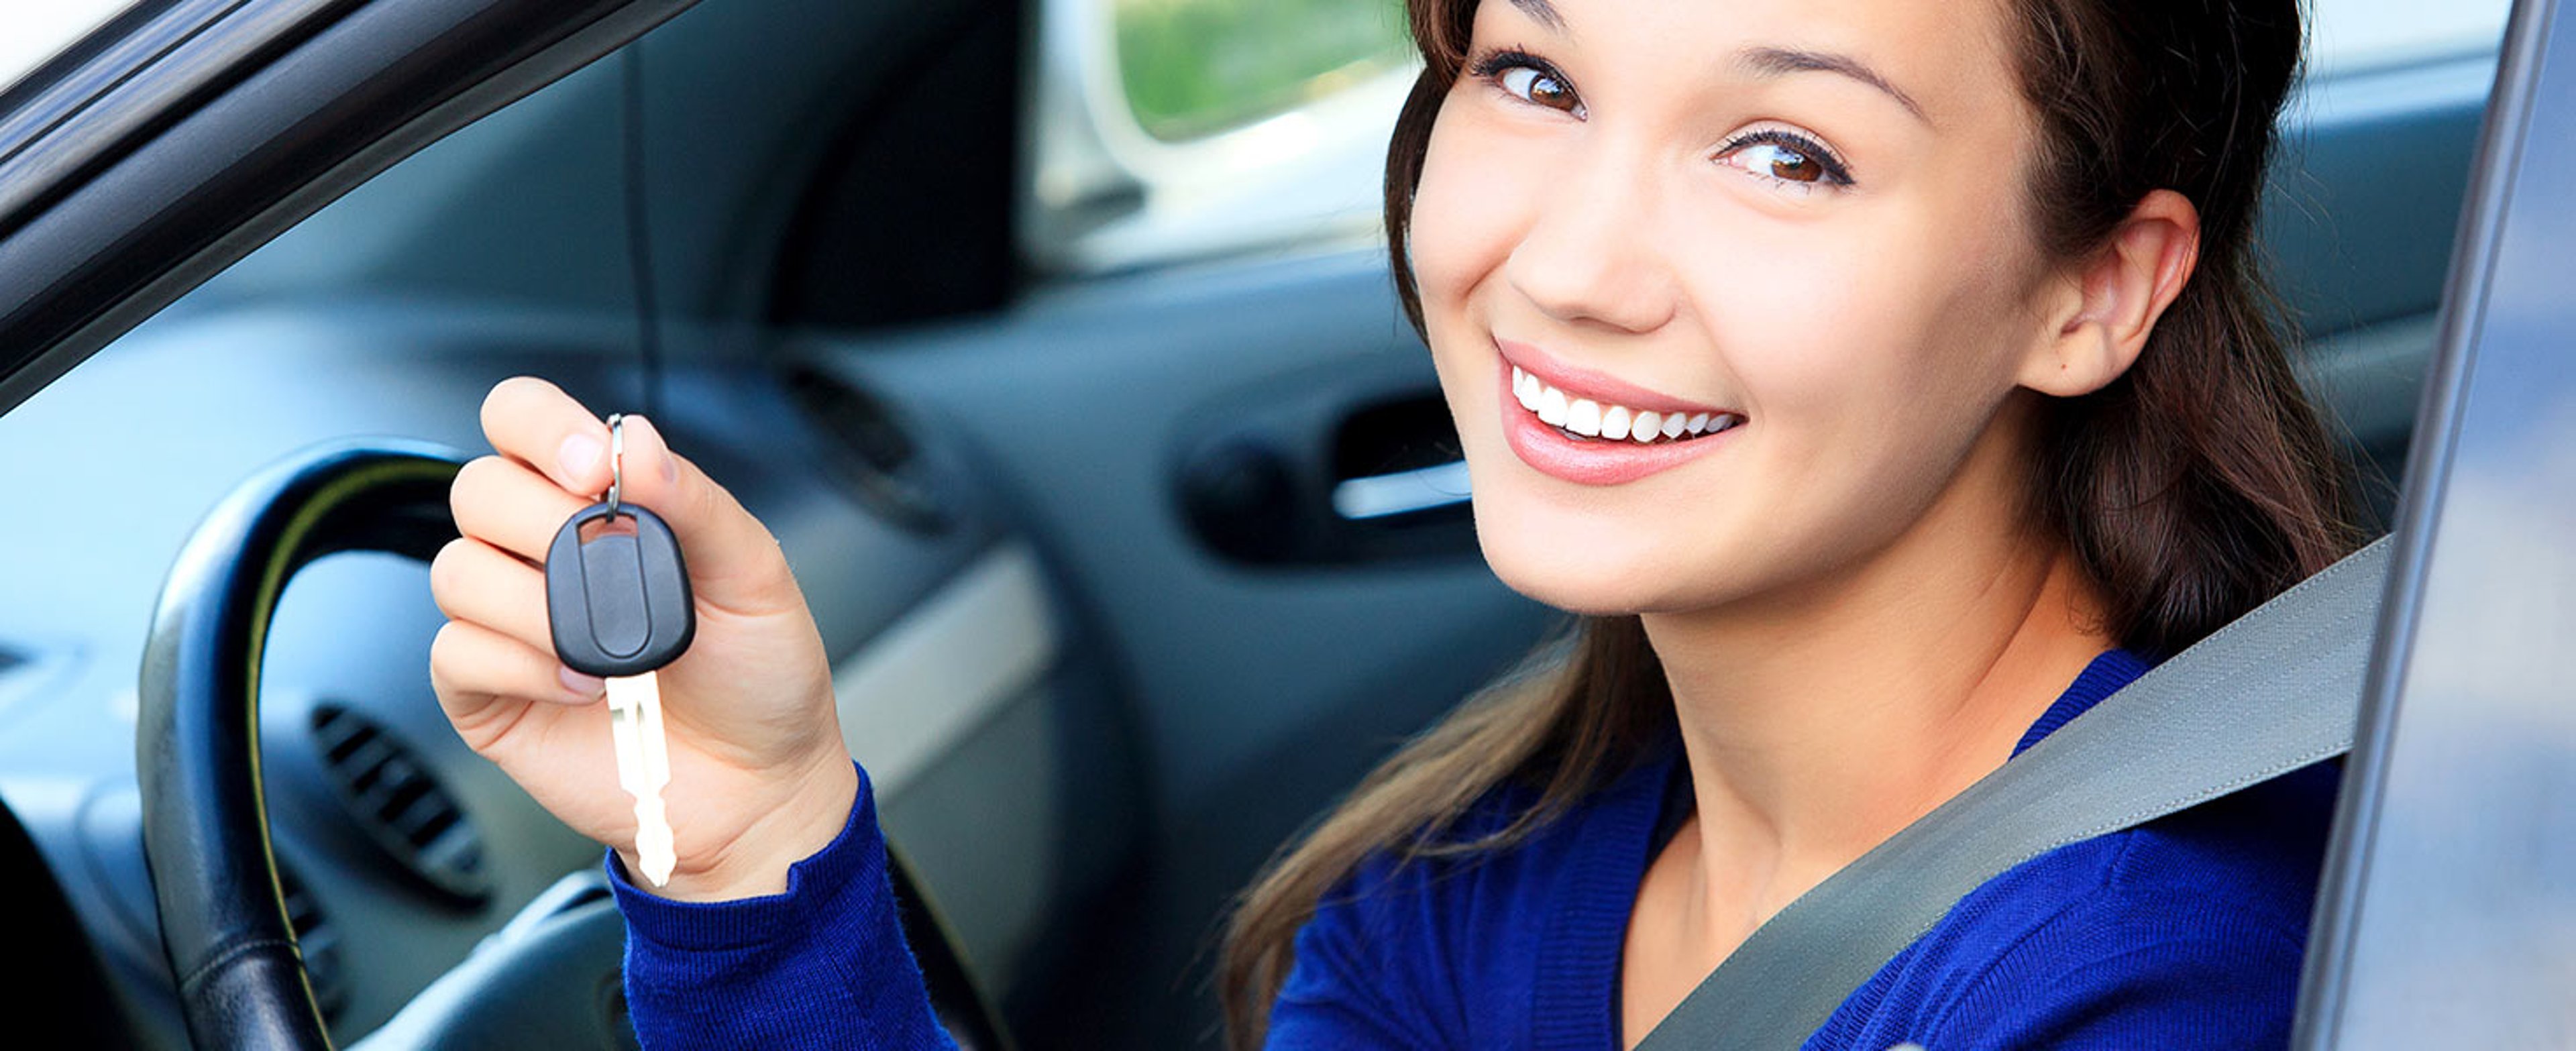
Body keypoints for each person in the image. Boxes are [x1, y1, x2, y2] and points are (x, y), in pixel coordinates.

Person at [429, 0, 2361, 1046]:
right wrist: (752, 837)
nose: (1577, 267)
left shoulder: (2155, 982)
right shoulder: (1458, 909)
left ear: (2095, 288)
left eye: (1788, 150)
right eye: (1533, 73)